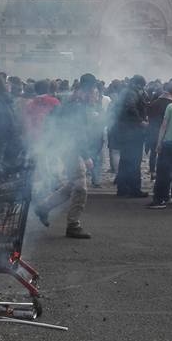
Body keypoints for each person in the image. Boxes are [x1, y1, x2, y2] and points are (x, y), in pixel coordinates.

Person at [34, 74, 99, 239]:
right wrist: (86, 156)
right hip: (73, 149)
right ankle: (73, 225)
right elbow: (79, 133)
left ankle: (43, 207)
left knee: (72, 185)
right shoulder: (78, 105)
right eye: (95, 91)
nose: (96, 95)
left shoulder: (73, 100)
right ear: (89, 89)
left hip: (67, 147)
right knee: (81, 188)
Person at [114, 75, 149, 198]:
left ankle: (123, 189)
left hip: (126, 132)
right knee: (134, 161)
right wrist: (141, 121)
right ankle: (134, 189)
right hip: (132, 133)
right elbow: (131, 107)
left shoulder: (126, 92)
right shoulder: (131, 93)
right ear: (138, 84)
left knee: (126, 161)